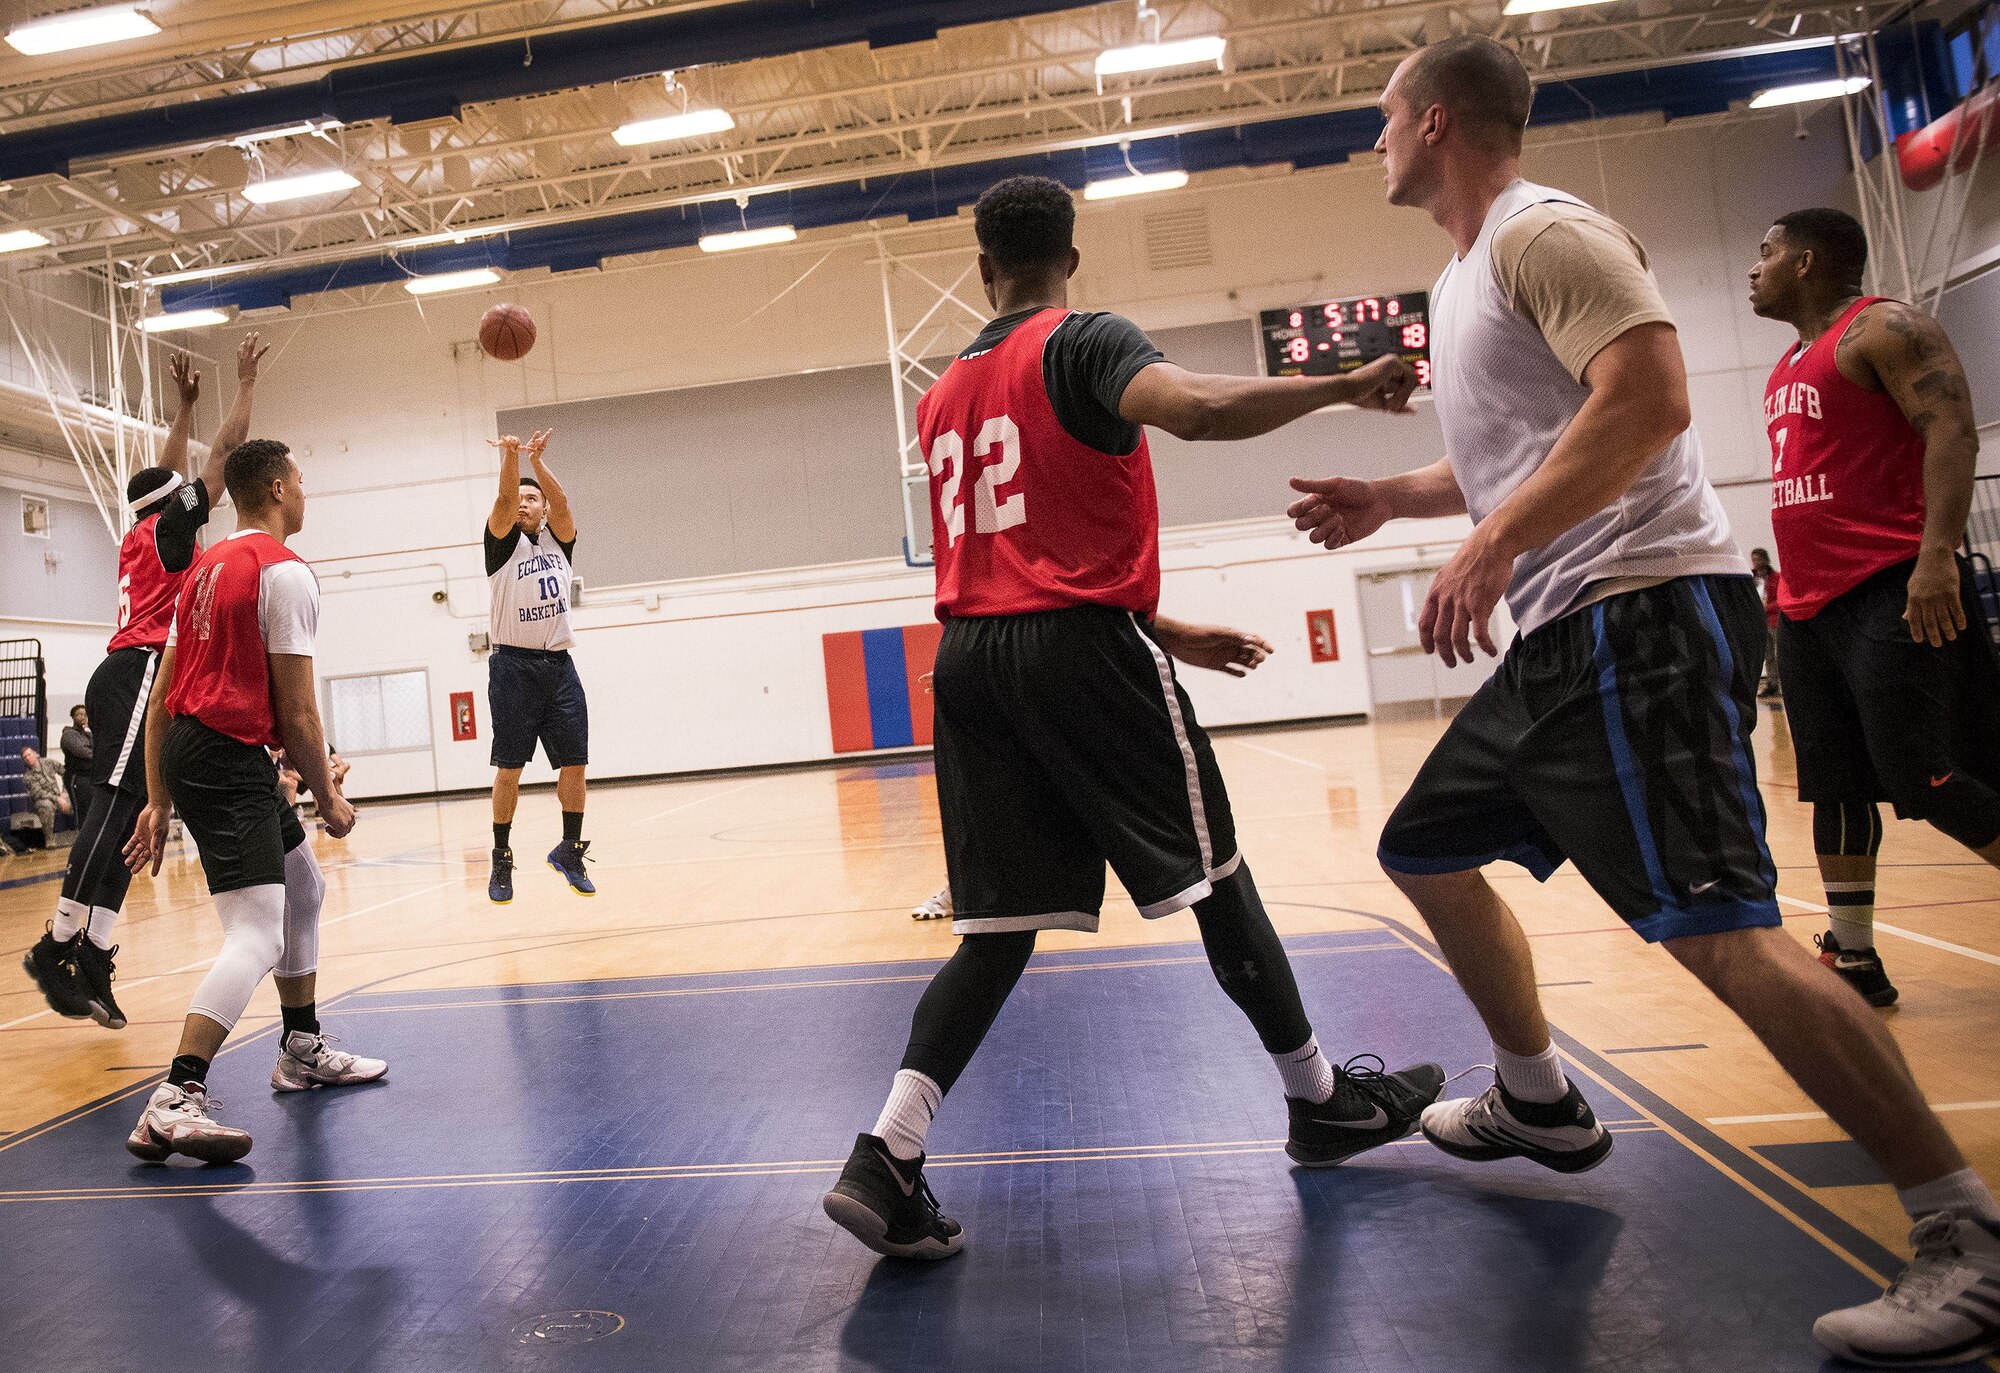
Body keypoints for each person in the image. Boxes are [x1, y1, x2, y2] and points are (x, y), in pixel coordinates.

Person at [1287, 37, 1998, 1367]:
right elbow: (1527, 446)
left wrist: (1492, 546)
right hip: (1568, 635)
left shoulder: (1544, 234)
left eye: (1381, 118)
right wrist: (1401, 499)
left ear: (1435, 121)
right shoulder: (1461, 274)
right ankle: (1541, 1099)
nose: (1371, 139)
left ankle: (1964, 1233)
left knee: (1721, 932)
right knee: (1426, 847)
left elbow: (1654, 402)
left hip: (1643, 615)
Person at [822, 173, 1439, 1263]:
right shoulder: (1083, 338)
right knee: (1217, 873)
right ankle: (1319, 1099)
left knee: (996, 930)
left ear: (980, 266)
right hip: (1077, 651)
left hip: (969, 662)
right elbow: (1193, 411)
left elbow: (1020, 547)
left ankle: (888, 1150)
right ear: (1070, 256)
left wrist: (1164, 624)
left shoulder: (943, 389)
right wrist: (1341, 382)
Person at [1749, 206, 2000, 1016]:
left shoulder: (1883, 329)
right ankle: (1854, 954)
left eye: (1768, 253)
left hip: (1894, 583)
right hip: (1809, 606)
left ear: (1809, 261)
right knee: (1838, 785)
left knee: (1923, 773)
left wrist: (1937, 556)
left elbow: (1952, 430)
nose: (1755, 269)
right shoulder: (1788, 365)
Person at [120, 438, 385, 1164]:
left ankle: (299, 1048)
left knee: (304, 886)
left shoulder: (202, 569)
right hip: (227, 756)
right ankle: (175, 1095)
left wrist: (157, 797)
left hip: (202, 750)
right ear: (275, 486)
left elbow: (163, 700)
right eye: (301, 478)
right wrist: (329, 797)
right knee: (256, 933)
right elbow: (297, 712)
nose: (306, 491)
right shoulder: (284, 572)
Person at [21, 337, 264, 1030]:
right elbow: (221, 461)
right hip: (139, 671)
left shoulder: (146, 529)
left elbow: (168, 468)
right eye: (183, 487)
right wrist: (244, 385)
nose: (194, 487)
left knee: (135, 814)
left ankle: (94, 951)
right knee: (113, 806)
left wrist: (183, 406)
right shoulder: (170, 525)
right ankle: (57, 943)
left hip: (135, 675)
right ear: (176, 502)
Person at [910, 616, 1276, 921]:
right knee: (1219, 888)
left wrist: (985, 663)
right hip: (1079, 649)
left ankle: (961, 892)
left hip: (976, 655)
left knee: (1001, 938)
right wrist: (1172, 634)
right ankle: (957, 889)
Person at [482, 429, 592, 902]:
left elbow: (564, 504)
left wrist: (539, 463)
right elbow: (505, 497)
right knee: (510, 770)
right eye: (522, 498)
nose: (526, 503)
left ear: (543, 509)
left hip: (559, 667)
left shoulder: (559, 544)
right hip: (513, 668)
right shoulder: (501, 544)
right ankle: (502, 856)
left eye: (534, 499)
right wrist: (512, 457)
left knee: (575, 763)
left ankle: (568, 849)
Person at [20, 746, 72, 845]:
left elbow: (66, 773)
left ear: (35, 754)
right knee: (46, 805)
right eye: (25, 757)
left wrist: (64, 791)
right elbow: (39, 793)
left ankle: (81, 832)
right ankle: (49, 840)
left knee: (76, 799)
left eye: (29, 754)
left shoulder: (48, 762)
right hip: (43, 800)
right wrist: (57, 799)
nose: (27, 758)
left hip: (59, 796)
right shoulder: (28, 776)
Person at [1748, 548, 1782, 697]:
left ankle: (1783, 684)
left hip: (1774, 620)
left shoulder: (1776, 578)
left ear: (1765, 559)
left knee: (1778, 654)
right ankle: (1772, 684)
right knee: (1767, 655)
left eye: (1758, 559)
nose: (1755, 562)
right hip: (1760, 622)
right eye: (1753, 559)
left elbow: (1780, 599)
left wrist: (1767, 606)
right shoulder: (1751, 579)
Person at [60, 705, 95, 828]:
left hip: (89, 777)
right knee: (82, 811)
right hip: (77, 778)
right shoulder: (69, 734)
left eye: (85, 715)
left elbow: (97, 746)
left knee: (91, 810)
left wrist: (90, 730)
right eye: (79, 714)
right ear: (73, 717)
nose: (82, 717)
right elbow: (82, 751)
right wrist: (96, 753)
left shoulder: (87, 734)